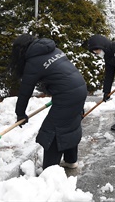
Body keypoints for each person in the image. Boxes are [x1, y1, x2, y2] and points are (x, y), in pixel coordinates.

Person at [10, 34, 88, 169]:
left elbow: (25, 92)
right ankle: (71, 160)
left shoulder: (33, 61)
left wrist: (20, 113)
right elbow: (60, 74)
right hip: (79, 89)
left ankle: (50, 170)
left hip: (68, 94)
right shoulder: (53, 50)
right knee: (70, 124)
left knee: (52, 130)